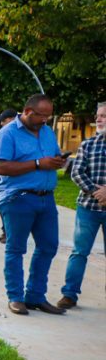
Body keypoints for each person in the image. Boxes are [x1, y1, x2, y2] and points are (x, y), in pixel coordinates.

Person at [0, 94, 67, 316]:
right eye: (41, 115)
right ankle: (15, 297)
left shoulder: (46, 132)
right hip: (18, 198)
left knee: (48, 246)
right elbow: (0, 168)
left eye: (48, 116)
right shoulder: (7, 133)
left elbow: (51, 157)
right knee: (16, 248)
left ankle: (35, 296)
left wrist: (58, 161)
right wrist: (37, 164)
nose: (45, 120)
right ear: (27, 111)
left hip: (46, 198)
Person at [58, 102, 106, 309]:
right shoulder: (88, 144)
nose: (99, 119)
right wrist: (98, 192)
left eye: (104, 116)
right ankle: (69, 294)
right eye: (98, 115)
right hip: (88, 207)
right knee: (79, 252)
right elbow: (77, 173)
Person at [0, 109, 18, 243]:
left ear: (12, 118)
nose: (2, 123)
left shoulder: (20, 134)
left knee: (11, 205)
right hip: (1, 175)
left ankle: (11, 234)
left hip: (13, 176)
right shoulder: (2, 134)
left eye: (4, 120)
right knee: (2, 204)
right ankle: (6, 231)